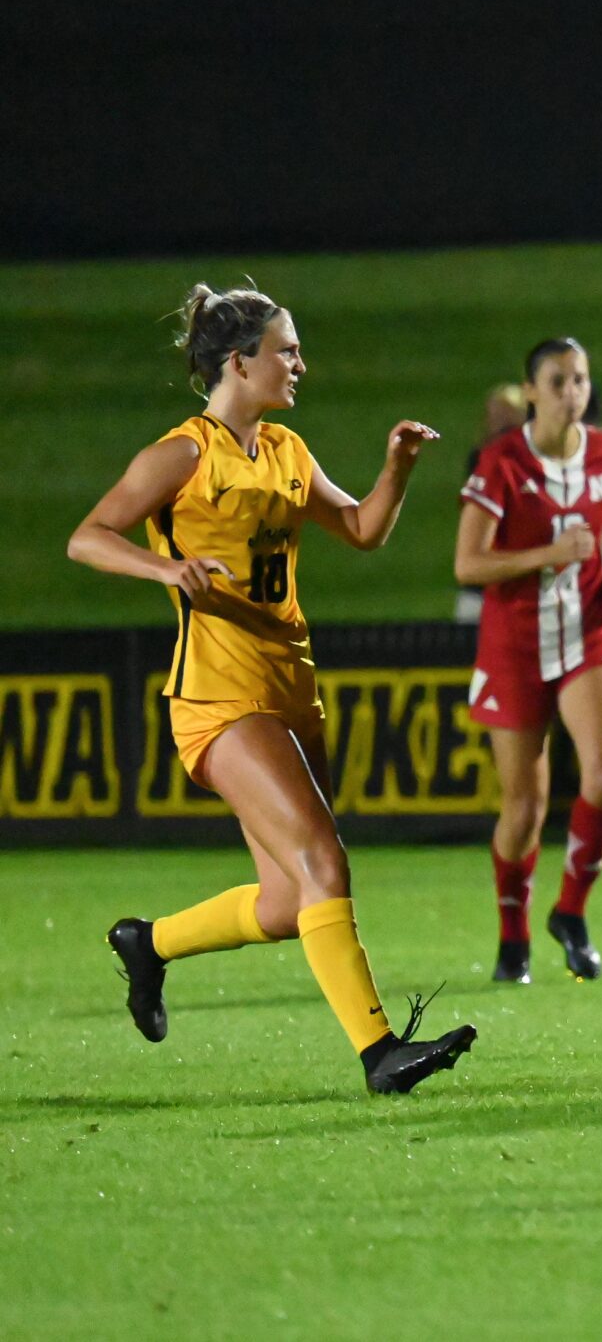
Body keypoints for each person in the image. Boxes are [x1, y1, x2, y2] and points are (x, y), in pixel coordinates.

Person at [74, 285, 474, 1094]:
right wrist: (165, 567)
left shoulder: (286, 449)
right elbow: (89, 536)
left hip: (290, 685)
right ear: (239, 361)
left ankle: (148, 944)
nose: (298, 363)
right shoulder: (184, 453)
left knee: (291, 901)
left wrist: (395, 470)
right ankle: (379, 1053)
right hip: (219, 694)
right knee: (324, 858)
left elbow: (362, 530)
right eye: (285, 350)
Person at [456, 337, 602, 983]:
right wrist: (548, 554)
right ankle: (513, 938)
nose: (573, 392)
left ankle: (571, 910)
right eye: (559, 381)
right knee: (525, 808)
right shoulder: (501, 461)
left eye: (581, 379)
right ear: (530, 391)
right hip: (515, 641)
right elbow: (468, 563)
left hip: (590, 628)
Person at [454, 381, 528, 625]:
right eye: (495, 413)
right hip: (483, 578)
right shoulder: (480, 457)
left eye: (505, 413)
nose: (499, 419)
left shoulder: (531, 458)